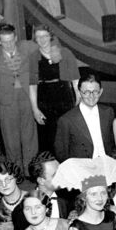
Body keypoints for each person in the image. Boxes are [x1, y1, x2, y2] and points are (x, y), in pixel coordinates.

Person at [0, 24, 39, 169]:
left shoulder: (27, 47)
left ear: (15, 38)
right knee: (10, 137)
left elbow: (47, 43)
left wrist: (54, 50)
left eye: (11, 40)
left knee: (30, 136)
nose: (8, 45)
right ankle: (16, 171)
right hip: (6, 100)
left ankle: (31, 170)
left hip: (27, 97)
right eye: (4, 42)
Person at [27, 25, 80, 153]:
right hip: (44, 100)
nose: (42, 39)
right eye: (38, 37)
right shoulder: (33, 57)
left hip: (64, 97)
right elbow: (32, 86)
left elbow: (75, 80)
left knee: (67, 135)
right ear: (35, 38)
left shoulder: (65, 53)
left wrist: (78, 101)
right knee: (48, 138)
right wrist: (35, 109)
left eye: (45, 36)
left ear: (50, 36)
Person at [54, 74, 114, 161]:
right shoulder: (66, 120)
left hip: (107, 165)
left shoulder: (108, 112)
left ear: (101, 92)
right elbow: (61, 153)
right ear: (79, 92)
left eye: (95, 91)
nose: (91, 96)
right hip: (82, 169)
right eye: (86, 92)